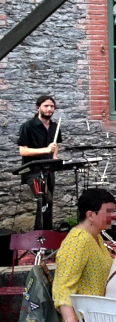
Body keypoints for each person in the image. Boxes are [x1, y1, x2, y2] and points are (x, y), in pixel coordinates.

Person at [52, 188, 116, 322]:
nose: (114, 216)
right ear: (90, 215)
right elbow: (62, 286)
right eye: (109, 212)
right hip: (87, 318)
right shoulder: (78, 241)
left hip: (101, 312)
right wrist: (70, 320)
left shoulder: (96, 236)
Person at [17, 95, 62, 230]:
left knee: (47, 204)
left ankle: (44, 236)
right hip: (33, 171)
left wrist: (54, 156)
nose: (49, 109)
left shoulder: (54, 126)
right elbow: (23, 151)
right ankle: (40, 238)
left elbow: (55, 145)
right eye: (46, 106)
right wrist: (45, 150)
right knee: (45, 201)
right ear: (38, 108)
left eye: (52, 106)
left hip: (49, 170)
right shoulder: (28, 126)